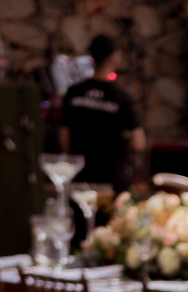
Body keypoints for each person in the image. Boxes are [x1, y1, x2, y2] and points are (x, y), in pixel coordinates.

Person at [59, 36, 145, 193]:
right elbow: (138, 143)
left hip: (81, 176)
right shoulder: (122, 97)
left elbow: (63, 139)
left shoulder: (74, 93)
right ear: (115, 58)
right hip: (112, 180)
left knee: (81, 217)